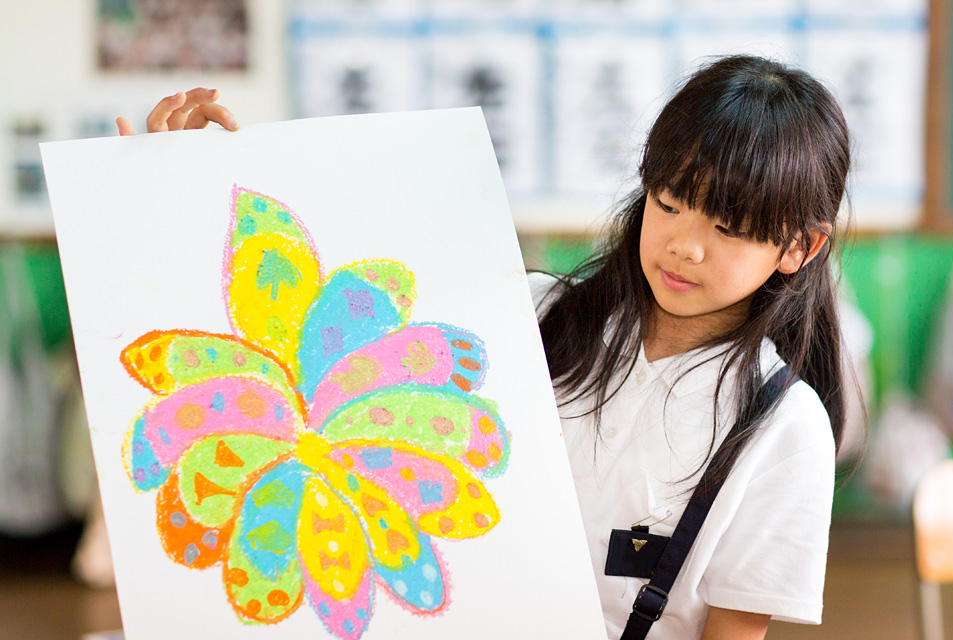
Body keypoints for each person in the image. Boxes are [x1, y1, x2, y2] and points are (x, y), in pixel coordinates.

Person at [116, 54, 852, 640]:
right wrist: (184, 185)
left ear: (798, 246)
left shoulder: (785, 429)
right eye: (669, 202)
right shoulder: (528, 313)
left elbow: (733, 631)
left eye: (728, 226)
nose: (685, 245)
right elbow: (314, 315)